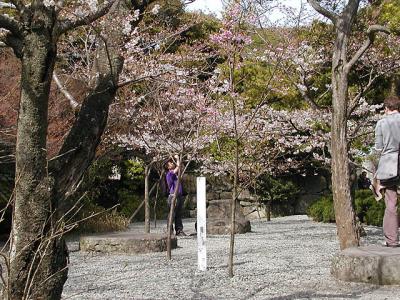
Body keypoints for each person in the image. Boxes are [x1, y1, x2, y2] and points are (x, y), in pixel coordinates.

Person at [373, 95, 400, 247]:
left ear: (386, 108)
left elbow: (378, 146)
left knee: (391, 202)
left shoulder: (382, 123)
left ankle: (392, 240)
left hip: (390, 165)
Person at [165, 156, 186, 236]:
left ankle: (179, 230)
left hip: (179, 196)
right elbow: (177, 168)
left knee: (178, 214)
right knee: (172, 214)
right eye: (170, 163)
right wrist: (177, 159)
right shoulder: (169, 174)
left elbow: (180, 168)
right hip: (173, 196)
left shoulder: (176, 174)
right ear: (168, 166)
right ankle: (169, 231)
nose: (172, 163)